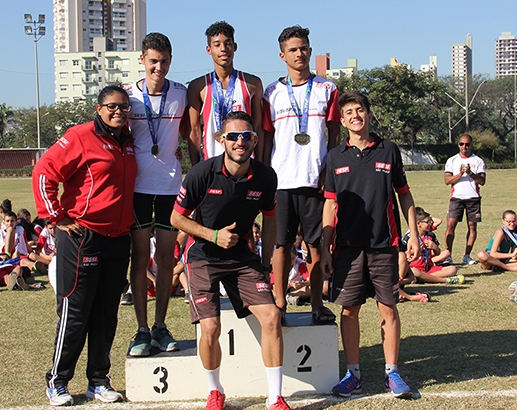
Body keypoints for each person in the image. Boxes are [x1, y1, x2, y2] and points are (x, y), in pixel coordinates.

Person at [170, 111, 291, 410]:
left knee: (273, 317)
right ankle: (215, 391)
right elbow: (176, 218)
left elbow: (271, 219)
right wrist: (212, 236)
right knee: (210, 327)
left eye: (246, 136)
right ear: (221, 139)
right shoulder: (201, 173)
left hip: (242, 258)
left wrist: (264, 263)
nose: (240, 141)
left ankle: (275, 397)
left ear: (255, 140)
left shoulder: (266, 176)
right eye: (233, 136)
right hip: (203, 256)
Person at [33, 84, 137, 406]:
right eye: (111, 107)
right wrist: (56, 218)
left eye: (123, 107)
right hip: (82, 237)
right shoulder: (80, 136)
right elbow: (43, 172)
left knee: (107, 314)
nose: (118, 112)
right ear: (98, 107)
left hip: (118, 239)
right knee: (75, 312)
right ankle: (58, 381)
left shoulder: (129, 140)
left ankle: (98, 381)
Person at [321, 91, 418, 399]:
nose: (355, 115)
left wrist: (413, 233)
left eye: (359, 109)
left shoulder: (389, 150)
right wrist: (325, 246)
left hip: (383, 244)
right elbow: (329, 205)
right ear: (342, 119)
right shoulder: (335, 157)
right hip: (347, 248)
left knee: (388, 307)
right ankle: (353, 374)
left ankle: (393, 373)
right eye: (348, 111)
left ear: (369, 114)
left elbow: (403, 194)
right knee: (349, 311)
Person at [262, 25, 340, 324]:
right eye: (293, 49)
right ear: (283, 55)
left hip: (314, 180)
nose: (300, 53)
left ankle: (317, 304)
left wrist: (327, 172)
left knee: (315, 245)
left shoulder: (327, 89)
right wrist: (267, 177)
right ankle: (279, 303)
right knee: (281, 244)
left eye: (304, 47)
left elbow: (334, 134)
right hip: (282, 181)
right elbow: (268, 139)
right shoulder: (272, 92)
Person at [125, 32, 186, 357]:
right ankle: (141, 329)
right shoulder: (127, 96)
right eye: (153, 61)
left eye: (163, 61)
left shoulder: (181, 92)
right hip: (137, 189)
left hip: (169, 188)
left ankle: (160, 325)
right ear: (142, 60)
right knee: (139, 259)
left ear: (170, 61)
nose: (158, 67)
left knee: (166, 259)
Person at [187, 21, 264, 164]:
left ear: (235, 47)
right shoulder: (198, 86)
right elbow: (195, 130)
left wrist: (260, 164)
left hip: (245, 162)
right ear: (208, 49)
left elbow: (258, 127)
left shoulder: (252, 84)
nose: (223, 49)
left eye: (227, 43)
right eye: (217, 44)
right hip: (211, 162)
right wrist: (195, 169)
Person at [443, 133, 486, 265]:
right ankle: (447, 255)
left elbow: (482, 181)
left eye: (467, 144)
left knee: (472, 226)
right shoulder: (452, 160)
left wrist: (471, 173)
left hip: (473, 198)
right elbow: (446, 180)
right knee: (451, 225)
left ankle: (467, 255)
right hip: (456, 198)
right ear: (458, 145)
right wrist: (460, 174)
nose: (464, 147)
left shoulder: (478, 161)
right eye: (462, 144)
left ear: (471, 145)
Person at [399, 208, 463, 285]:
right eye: (427, 222)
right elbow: (403, 255)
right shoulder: (409, 237)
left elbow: (438, 253)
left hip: (428, 268)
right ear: (418, 223)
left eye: (430, 221)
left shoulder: (430, 235)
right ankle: (444, 280)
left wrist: (434, 247)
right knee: (414, 272)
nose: (430, 224)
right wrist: (415, 250)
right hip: (415, 268)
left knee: (452, 269)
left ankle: (423, 278)